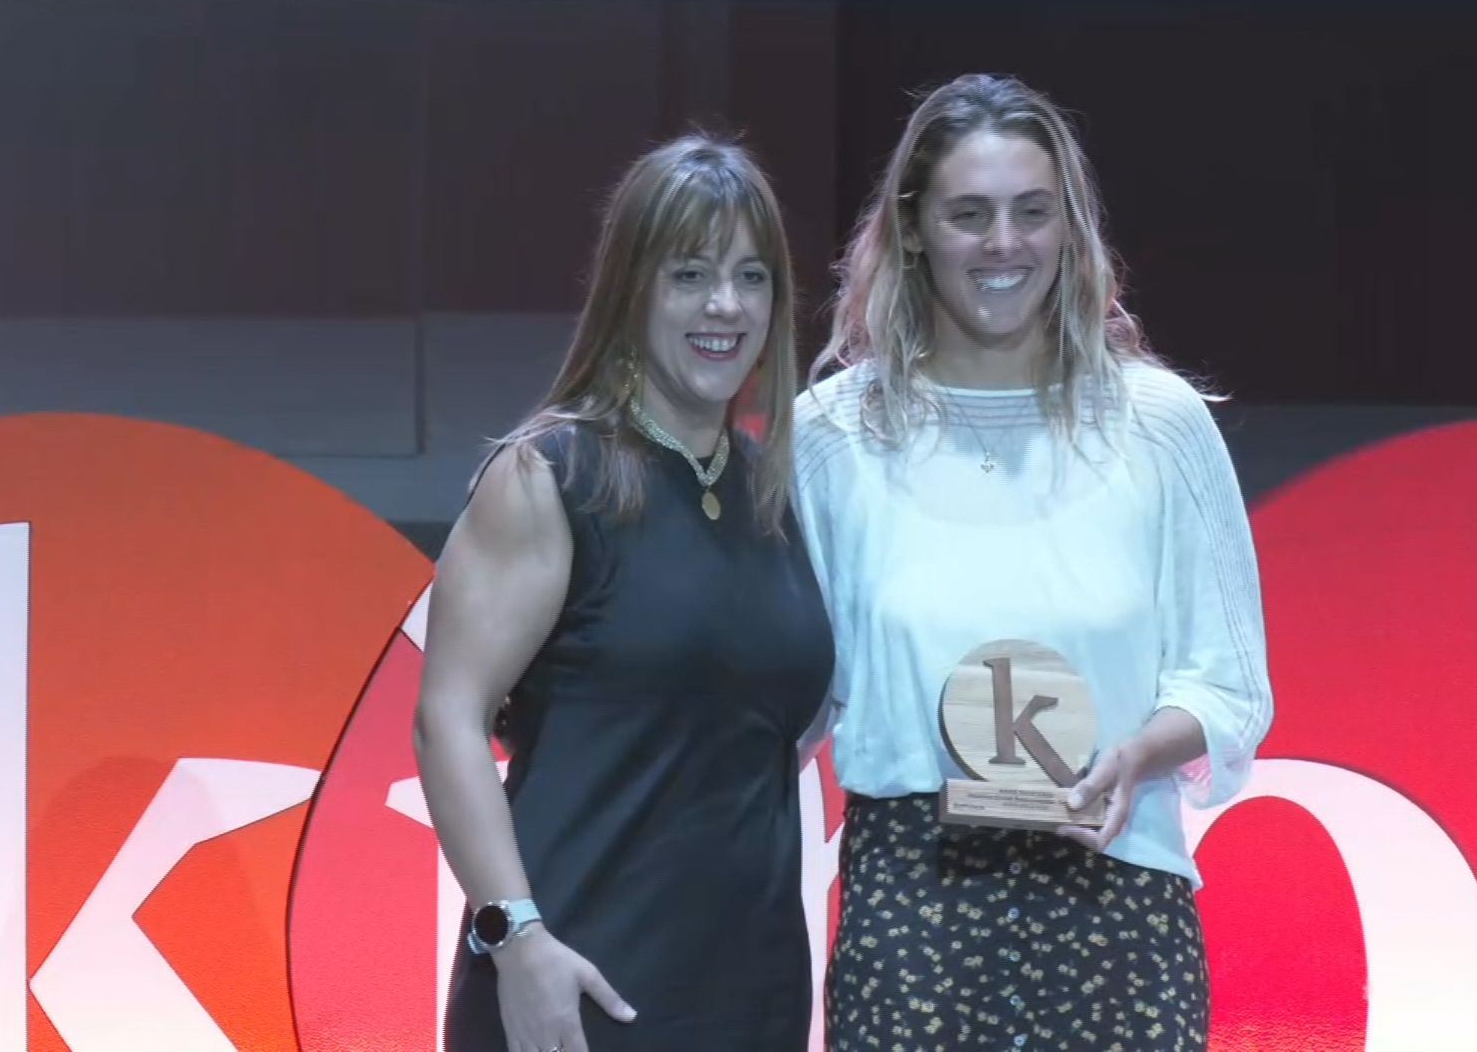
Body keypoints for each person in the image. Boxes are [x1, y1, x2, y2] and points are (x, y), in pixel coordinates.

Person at [795, 73, 1275, 1049]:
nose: (1003, 243)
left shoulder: (1160, 424)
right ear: (914, 229)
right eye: (969, 214)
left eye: (1032, 212)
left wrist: (1136, 756)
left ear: (1070, 228)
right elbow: (786, 696)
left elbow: (1229, 686)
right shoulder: (834, 436)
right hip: (913, 909)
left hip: (1117, 899)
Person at [415, 134, 834, 1052]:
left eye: (751, 277)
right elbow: (447, 718)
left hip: (748, 997)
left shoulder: (775, 494)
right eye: (690, 275)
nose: (725, 305)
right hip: (570, 995)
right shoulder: (550, 476)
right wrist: (517, 940)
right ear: (631, 288)